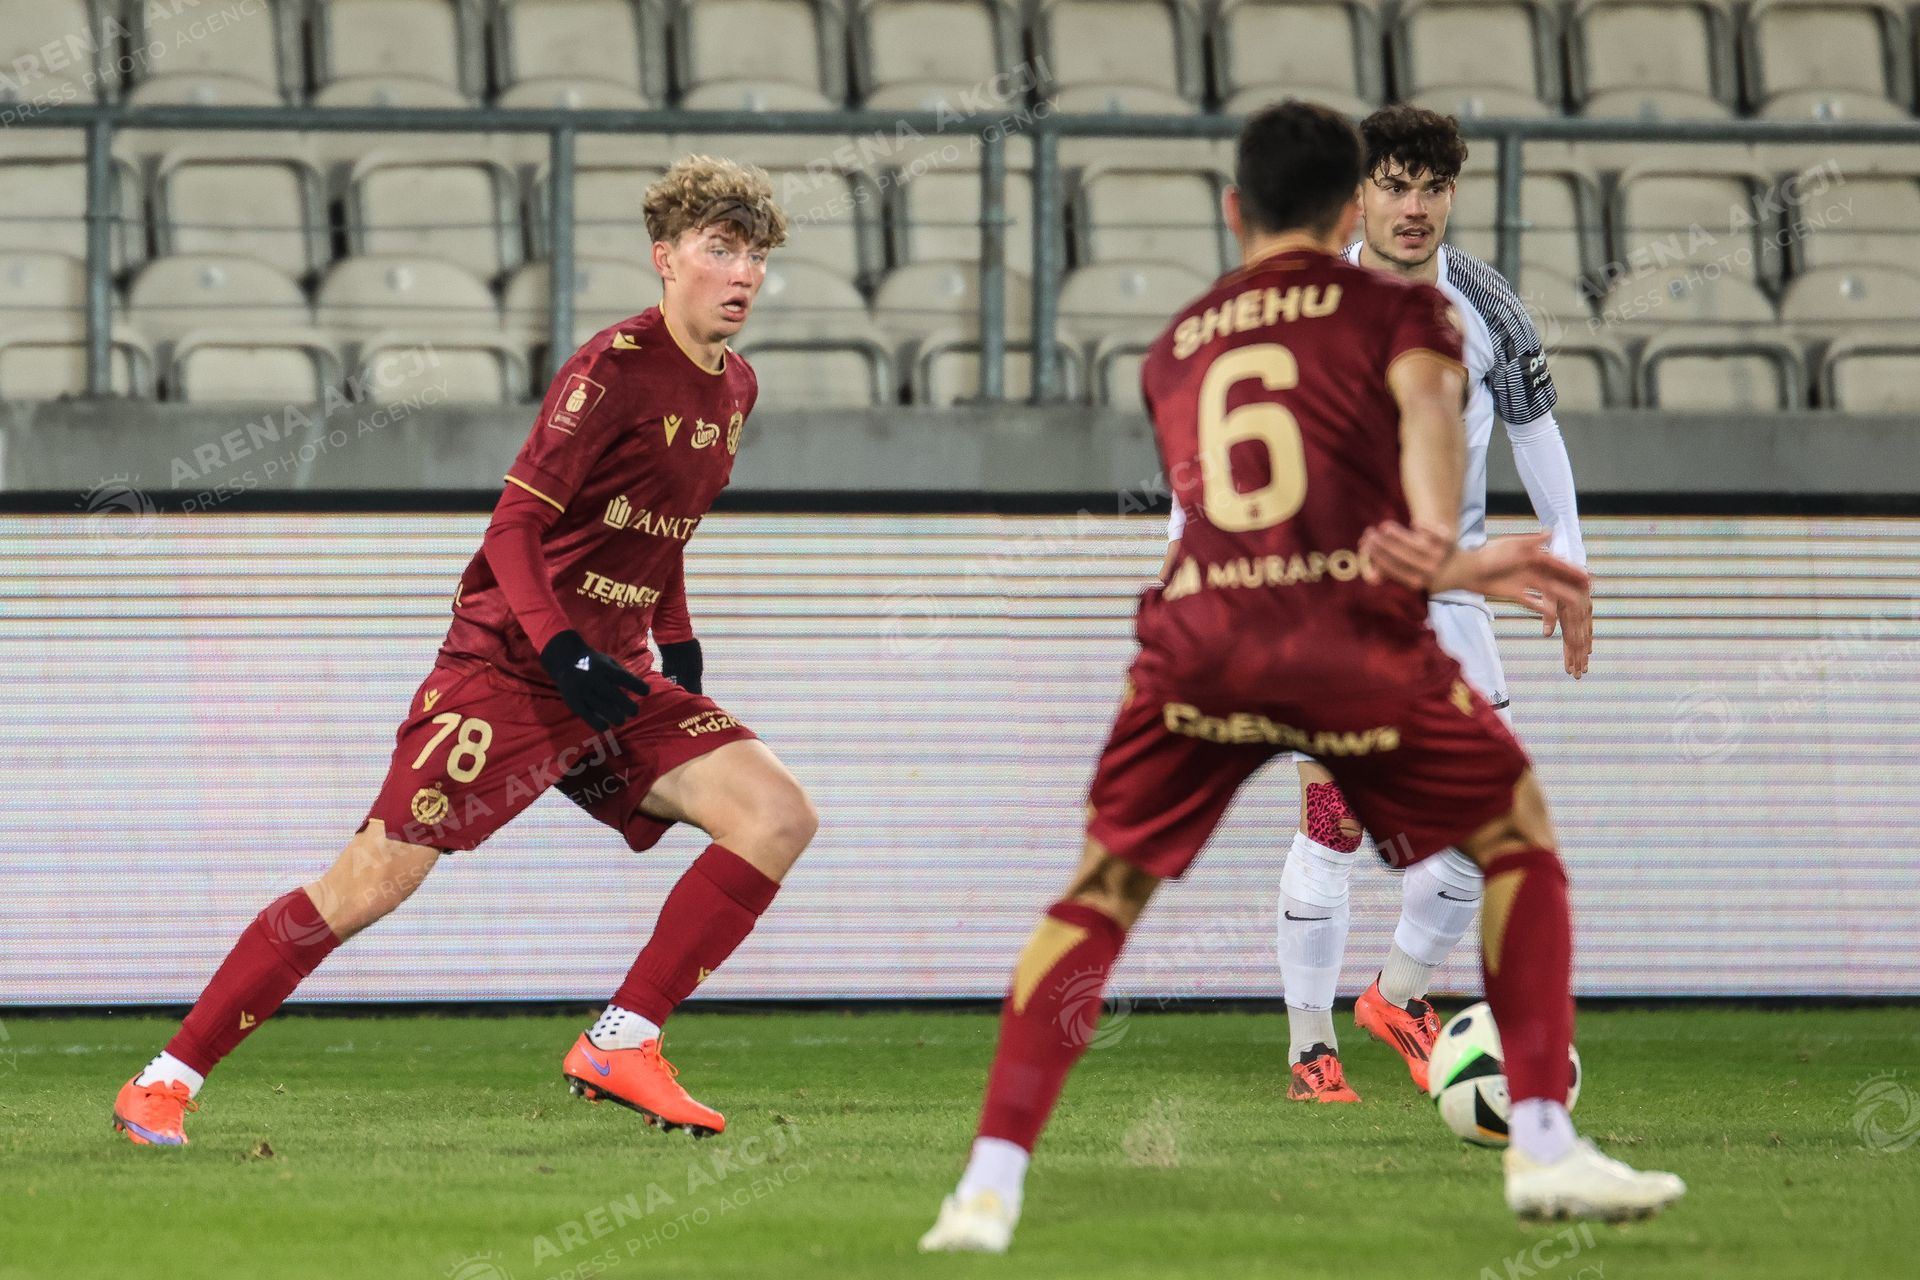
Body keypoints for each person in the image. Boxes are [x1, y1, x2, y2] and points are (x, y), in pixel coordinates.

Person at [921, 101, 1683, 1252]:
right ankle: (1539, 1139)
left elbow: (1199, 515)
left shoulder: (1179, 340)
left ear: (1236, 211)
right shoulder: (1408, 314)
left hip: (1200, 635)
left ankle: (985, 1186)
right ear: (1347, 213)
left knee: (1098, 895)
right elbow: (1422, 518)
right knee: (1517, 834)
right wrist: (1485, 562)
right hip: (1343, 635)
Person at [111, 155, 816, 1147]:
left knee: (776, 814)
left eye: (754, 255)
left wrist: (678, 640)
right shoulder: (610, 371)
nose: (742, 273)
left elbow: (656, 529)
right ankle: (164, 1080)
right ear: (665, 258)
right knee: (369, 882)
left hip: (612, 679)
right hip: (513, 670)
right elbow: (514, 527)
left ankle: (623, 1040)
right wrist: (561, 649)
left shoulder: (736, 386)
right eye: (720, 249)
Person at [1161, 103, 1594, 1102]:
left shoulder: (1488, 306)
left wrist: (1570, 555)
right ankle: (1310, 1049)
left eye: (1432, 188)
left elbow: (1535, 430)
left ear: (1453, 194)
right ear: (1358, 196)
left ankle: (1396, 994)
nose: (1414, 207)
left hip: (1449, 593)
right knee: (1335, 819)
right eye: (1394, 186)